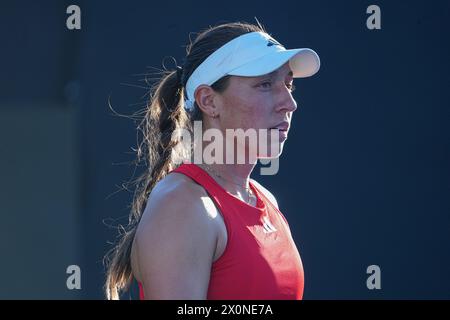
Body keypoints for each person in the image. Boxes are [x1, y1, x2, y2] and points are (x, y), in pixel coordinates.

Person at [104, 21, 320, 300]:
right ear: (208, 101)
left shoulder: (265, 200)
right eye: (265, 84)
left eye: (289, 84)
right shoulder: (182, 205)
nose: (289, 103)